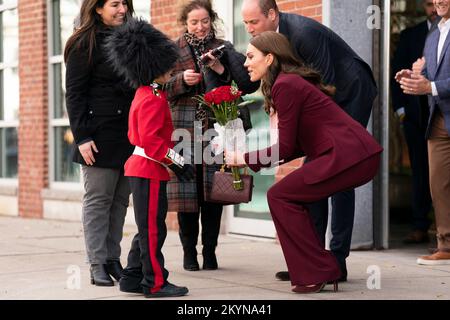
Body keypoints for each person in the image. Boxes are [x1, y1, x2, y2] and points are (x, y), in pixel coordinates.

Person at [225, 31, 383, 294]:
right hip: (354, 156)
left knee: (279, 195)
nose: (245, 63)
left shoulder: (285, 85)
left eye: (251, 56)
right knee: (287, 196)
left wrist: (243, 158)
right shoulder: (288, 83)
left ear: (270, 58)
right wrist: (250, 159)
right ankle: (317, 268)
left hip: (350, 156)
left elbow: (285, 147)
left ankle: (321, 268)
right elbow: (295, 146)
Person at [165, 0, 259, 272]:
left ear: (212, 19)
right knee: (187, 194)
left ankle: (210, 252)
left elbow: (246, 83)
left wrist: (220, 70)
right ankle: (188, 254)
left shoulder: (223, 47)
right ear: (186, 23)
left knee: (213, 192)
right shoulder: (172, 50)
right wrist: (183, 79)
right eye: (194, 22)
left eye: (205, 21)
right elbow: (162, 88)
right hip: (182, 128)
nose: (200, 26)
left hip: (215, 129)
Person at [105, 18, 193, 298]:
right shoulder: (153, 99)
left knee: (147, 227)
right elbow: (153, 143)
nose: (171, 69)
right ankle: (154, 283)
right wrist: (178, 162)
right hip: (149, 168)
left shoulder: (144, 94)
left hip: (143, 168)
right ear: (152, 67)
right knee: (154, 231)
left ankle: (132, 276)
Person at [64, 0, 136, 286]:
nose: (122, 10)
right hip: (97, 136)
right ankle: (96, 263)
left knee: (120, 201)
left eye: (125, 4)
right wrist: (82, 137)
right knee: (98, 201)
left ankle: (112, 259)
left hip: (128, 134)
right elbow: (74, 94)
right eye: (115, 4)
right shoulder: (84, 42)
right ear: (97, 8)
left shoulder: (131, 39)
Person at [396, 0, 450, 265]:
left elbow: (433, 83)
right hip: (437, 118)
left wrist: (431, 87)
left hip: (441, 104)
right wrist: (413, 75)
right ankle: (446, 245)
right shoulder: (433, 33)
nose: (439, 1)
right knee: (438, 183)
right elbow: (429, 73)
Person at [391, 0, 437, 244]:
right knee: (420, 172)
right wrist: (401, 112)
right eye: (429, 4)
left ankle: (442, 228)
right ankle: (420, 224)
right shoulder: (410, 35)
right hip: (415, 117)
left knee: (442, 174)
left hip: (442, 113)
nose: (433, 8)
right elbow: (395, 74)